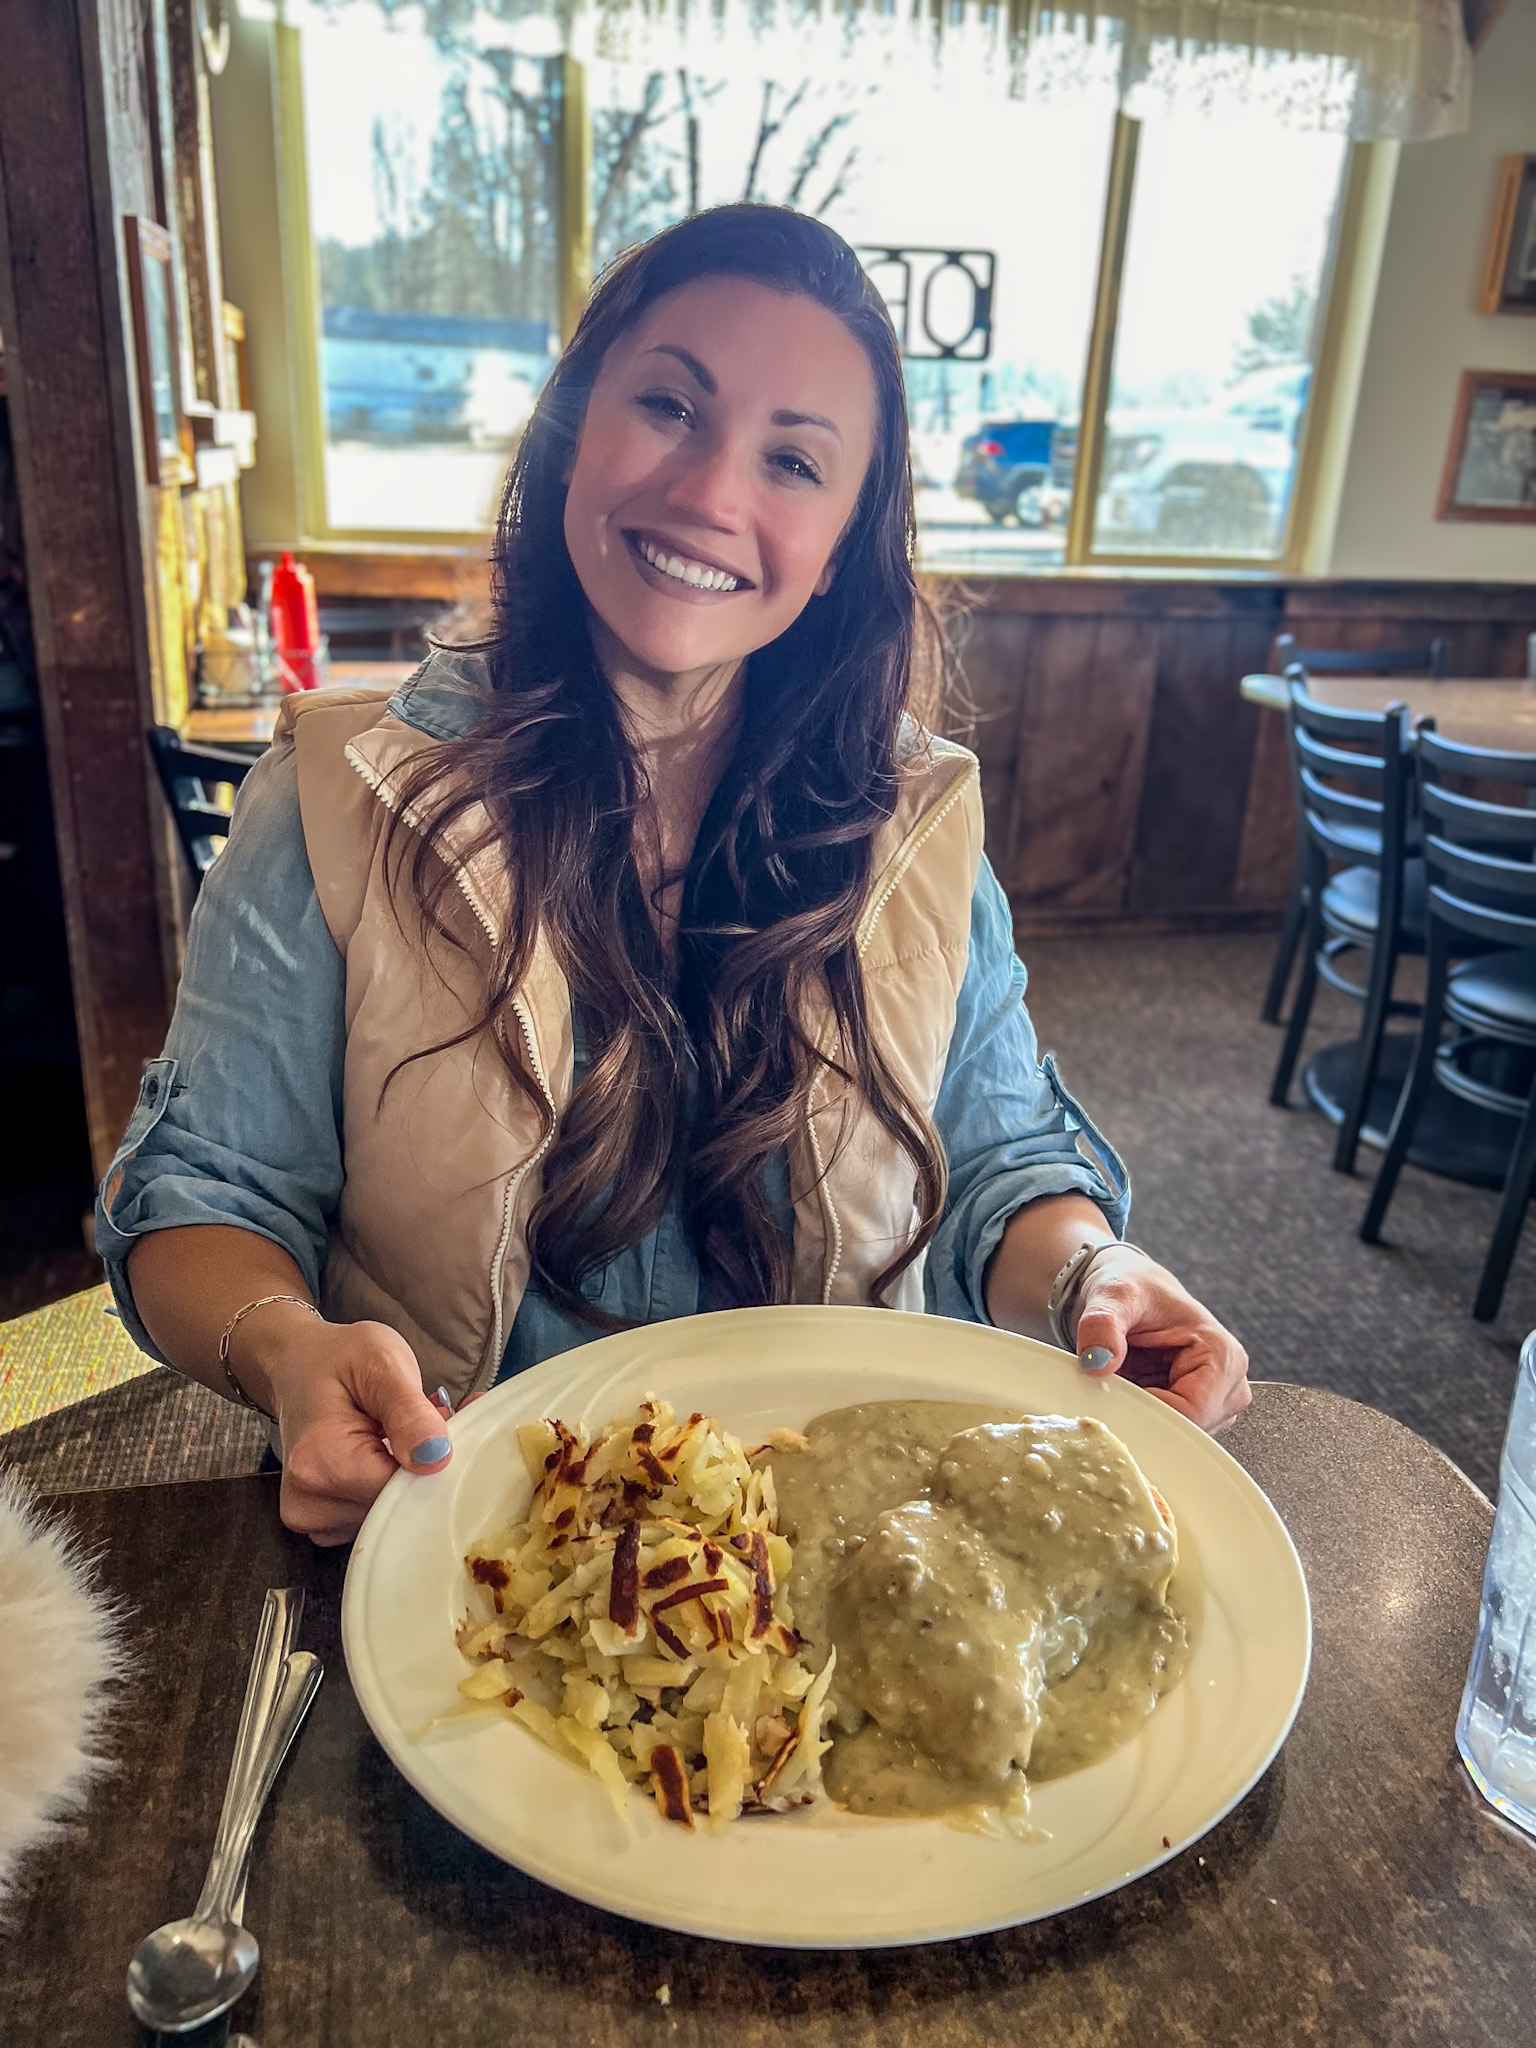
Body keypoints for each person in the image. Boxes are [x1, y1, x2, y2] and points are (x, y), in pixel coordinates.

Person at [97, 205, 1248, 1547]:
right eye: (668, 406)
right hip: (458, 1550)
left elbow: (1000, 1161)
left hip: (827, 1565)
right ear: (574, 430)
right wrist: (286, 1348)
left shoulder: (915, 820)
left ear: (838, 552)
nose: (710, 494)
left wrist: (1096, 1274)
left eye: (795, 462)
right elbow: (199, 1202)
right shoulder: (342, 793)